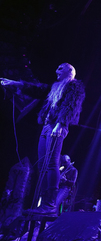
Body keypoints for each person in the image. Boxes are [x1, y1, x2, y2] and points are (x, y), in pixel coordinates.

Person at [0, 63, 85, 215]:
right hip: (47, 126)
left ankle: (50, 203)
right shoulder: (55, 86)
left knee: (52, 163)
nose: (56, 70)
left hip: (57, 125)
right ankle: (42, 203)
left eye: (60, 68)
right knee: (42, 165)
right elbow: (37, 89)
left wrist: (61, 123)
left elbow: (71, 105)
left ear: (70, 71)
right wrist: (14, 83)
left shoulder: (74, 86)